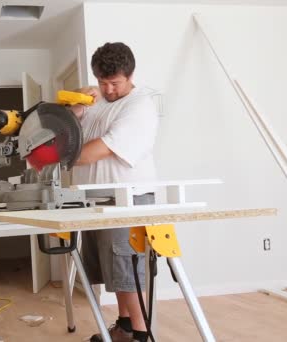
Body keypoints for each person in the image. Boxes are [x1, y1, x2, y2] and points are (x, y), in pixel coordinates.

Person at [70, 42, 159, 342]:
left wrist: (62, 154)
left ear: (130, 75)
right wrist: (78, 107)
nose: (108, 89)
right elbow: (70, 129)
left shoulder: (140, 105)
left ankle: (141, 335)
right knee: (113, 270)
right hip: (98, 200)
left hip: (127, 200)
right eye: (102, 82)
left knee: (127, 268)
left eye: (114, 83)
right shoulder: (96, 101)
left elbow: (101, 148)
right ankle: (124, 328)